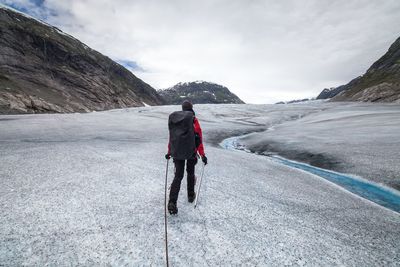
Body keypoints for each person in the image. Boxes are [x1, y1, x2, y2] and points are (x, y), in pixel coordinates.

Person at [165, 100, 207, 215]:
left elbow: (172, 138)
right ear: (191, 107)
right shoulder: (193, 119)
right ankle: (190, 195)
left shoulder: (175, 119)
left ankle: (172, 202)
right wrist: (202, 155)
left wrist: (169, 152)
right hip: (190, 151)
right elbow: (198, 138)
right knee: (190, 173)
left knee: (178, 176)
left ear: (182, 108)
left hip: (177, 151)